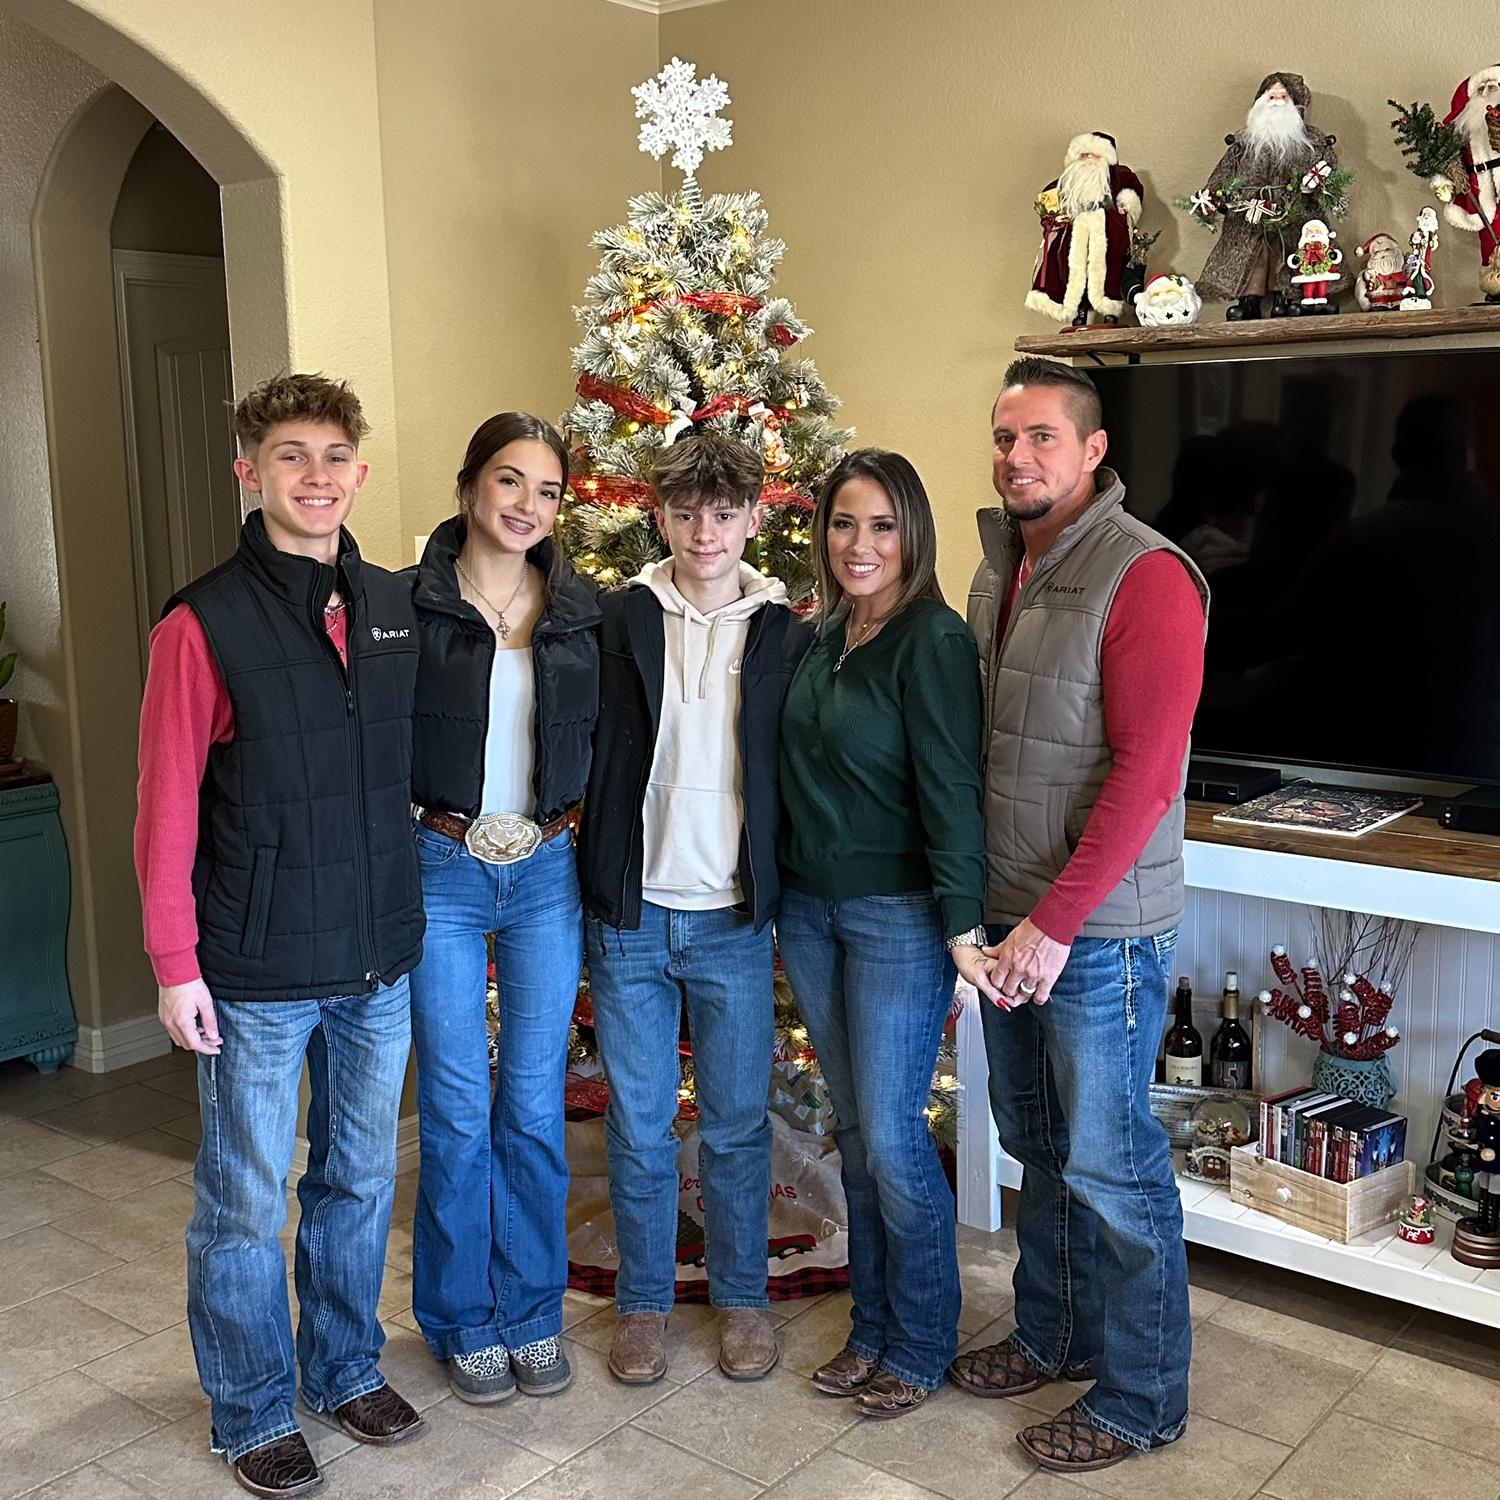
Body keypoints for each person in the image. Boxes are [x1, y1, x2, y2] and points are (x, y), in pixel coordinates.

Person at [135, 372, 426, 1498]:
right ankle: (252, 1408)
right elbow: (166, 805)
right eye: (290, 457)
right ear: (249, 472)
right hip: (255, 969)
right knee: (246, 1203)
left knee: (358, 1180)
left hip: (376, 956)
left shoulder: (392, 605)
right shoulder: (200, 623)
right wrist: (174, 965)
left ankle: (344, 1367)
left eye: (334, 456)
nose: (317, 477)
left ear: (360, 471)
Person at [949, 358, 1208, 1475]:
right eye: (1005, 437)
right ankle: (1055, 1335)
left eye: (1043, 437)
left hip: (1097, 935)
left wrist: (1052, 926)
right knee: (1039, 1145)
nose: (1018, 457)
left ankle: (1144, 1398)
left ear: (1094, 451)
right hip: (1009, 920)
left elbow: (1148, 773)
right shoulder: (1000, 566)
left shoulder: (1144, 574)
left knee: (1115, 1167)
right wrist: (990, 917)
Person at [578, 431, 808, 1385]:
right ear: (659, 517)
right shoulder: (618, 618)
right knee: (638, 1126)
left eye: (722, 514)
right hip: (631, 915)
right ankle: (644, 1303)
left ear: (752, 517)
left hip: (732, 921)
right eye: (685, 514)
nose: (704, 532)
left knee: (736, 1123)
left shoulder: (786, 632)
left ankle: (742, 1296)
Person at [776, 448, 991, 1419]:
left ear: (913, 535)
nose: (858, 544)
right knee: (857, 1133)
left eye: (881, 526)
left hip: (897, 918)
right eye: (843, 523)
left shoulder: (931, 639)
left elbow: (951, 786)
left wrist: (963, 923)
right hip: (810, 912)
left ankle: (923, 1338)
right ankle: (871, 1327)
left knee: (896, 1139)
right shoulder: (823, 635)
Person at [407, 412, 600, 1405]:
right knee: (453, 1110)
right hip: (440, 866)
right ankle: (462, 1317)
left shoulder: (582, 611)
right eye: (509, 480)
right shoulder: (408, 606)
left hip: (545, 873)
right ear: (470, 485)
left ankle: (529, 1312)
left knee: (529, 1105)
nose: (528, 504)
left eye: (548, 490)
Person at [1192, 73, 1339, 320]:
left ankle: (1286, 297)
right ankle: (1249, 300)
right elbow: (1225, 173)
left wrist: (1313, 183)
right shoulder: (1243, 143)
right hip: (1250, 212)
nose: (1277, 102)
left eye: (1284, 97)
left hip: (1294, 210)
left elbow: (1328, 171)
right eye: (1272, 96)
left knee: (1289, 251)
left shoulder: (1312, 142)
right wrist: (1213, 195)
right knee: (1252, 255)